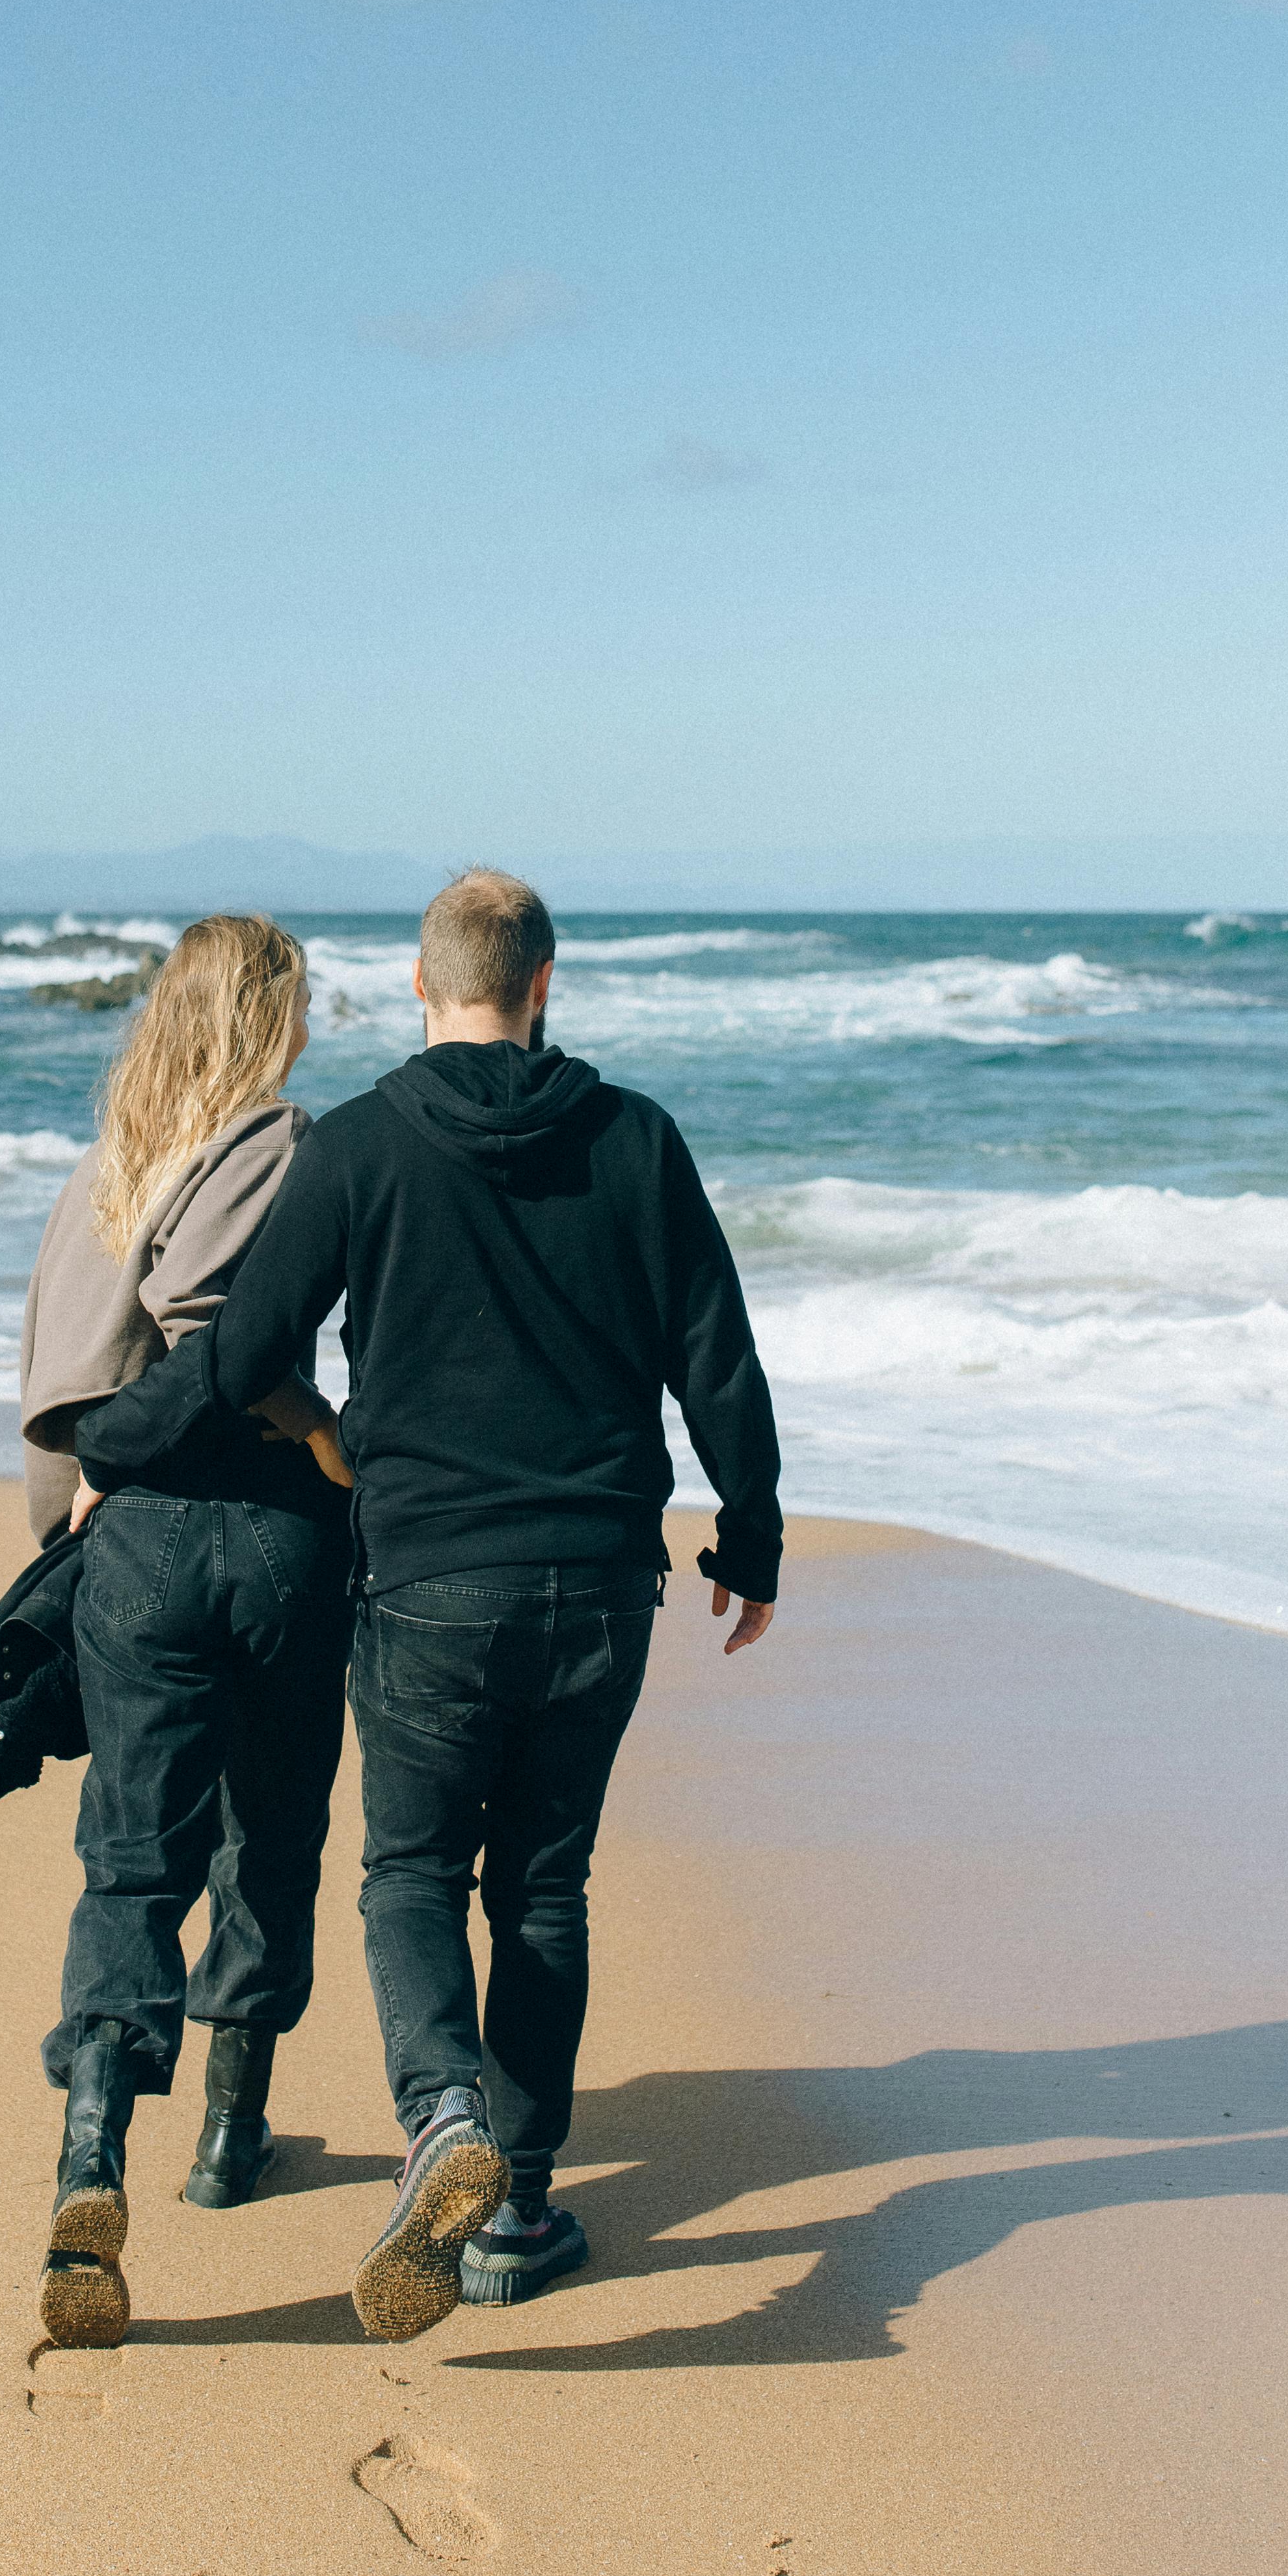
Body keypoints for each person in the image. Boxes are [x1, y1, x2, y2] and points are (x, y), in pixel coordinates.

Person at [74, 865, 783, 2340]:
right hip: (598, 1583)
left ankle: (441, 2114)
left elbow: (240, 1357)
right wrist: (751, 1539)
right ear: (543, 987)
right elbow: (716, 1357)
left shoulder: (358, 1147)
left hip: (426, 1585)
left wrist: (102, 1451)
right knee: (541, 1885)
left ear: (418, 984)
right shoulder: (636, 1141)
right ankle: (517, 2206)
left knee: (410, 1874)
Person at [16, 914, 351, 2349]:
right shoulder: (278, 1146)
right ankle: (229, 2137)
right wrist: (325, 1435)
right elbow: (225, 1333)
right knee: (268, 1831)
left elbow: (61, 1375)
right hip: (270, 1530)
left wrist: (64, 1531)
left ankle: (94, 2149)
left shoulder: (108, 1167)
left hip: (135, 1538)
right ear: (273, 1016)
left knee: (131, 1857)